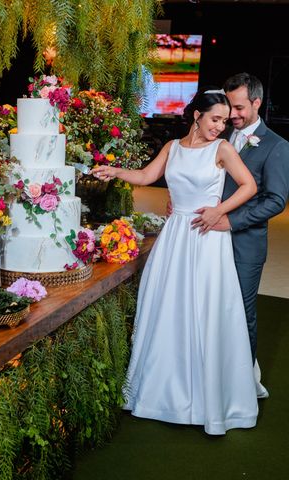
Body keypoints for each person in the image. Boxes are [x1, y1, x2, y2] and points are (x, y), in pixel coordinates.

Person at [93, 88, 258, 435]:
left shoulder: (223, 149)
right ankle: (162, 392)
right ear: (197, 115)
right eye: (215, 119)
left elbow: (249, 186)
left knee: (205, 311)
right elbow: (146, 177)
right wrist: (116, 172)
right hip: (175, 237)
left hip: (207, 239)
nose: (220, 127)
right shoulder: (172, 148)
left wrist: (219, 210)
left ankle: (207, 398)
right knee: (169, 308)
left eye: (225, 122)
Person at [193, 73, 289, 399]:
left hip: (244, 244)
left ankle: (242, 387)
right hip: (207, 238)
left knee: (241, 313)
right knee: (209, 305)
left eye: (238, 107)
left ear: (257, 103)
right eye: (228, 106)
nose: (231, 115)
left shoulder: (277, 146)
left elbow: (275, 200)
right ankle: (209, 372)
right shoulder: (217, 136)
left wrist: (231, 221)